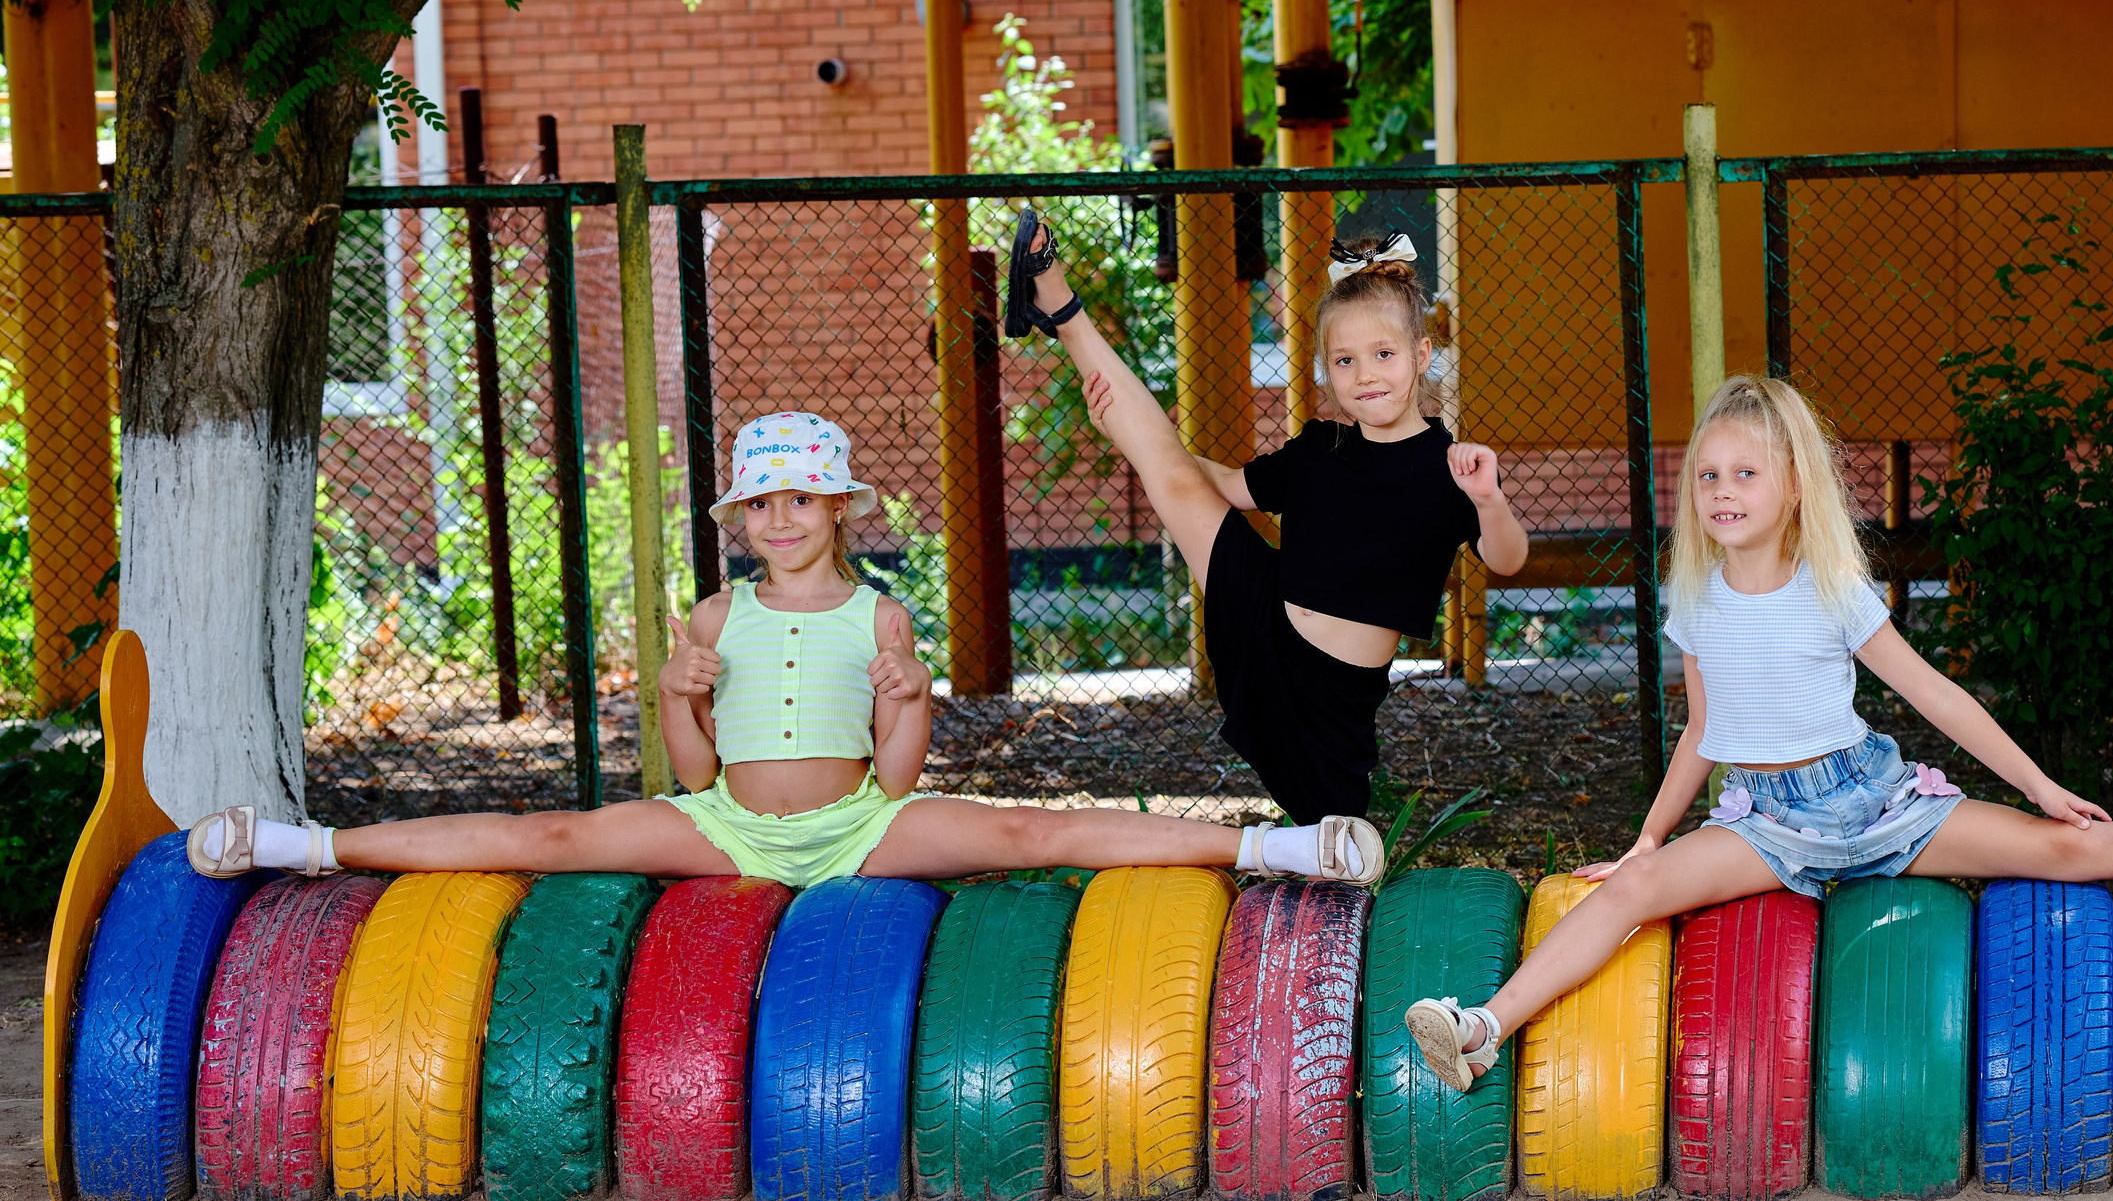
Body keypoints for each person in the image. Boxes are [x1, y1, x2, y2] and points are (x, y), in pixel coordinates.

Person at [1401, 374, 2113, 1094]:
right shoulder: (1698, 601)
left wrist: (2039, 786)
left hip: (1872, 800)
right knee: (1628, 892)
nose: (1722, 494)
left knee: (2080, 849)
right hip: (1765, 824)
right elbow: (1704, 730)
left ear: (1792, 486)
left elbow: (1939, 698)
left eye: (1745, 475)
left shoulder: (1831, 590)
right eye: (1707, 477)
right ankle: (1483, 1028)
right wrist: (1649, 837)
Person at [186, 412, 1384, 887]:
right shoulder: (718, 616)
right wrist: (674, 694)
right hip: (731, 830)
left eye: (800, 500)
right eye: (762, 504)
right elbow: (695, 773)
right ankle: (299, 844)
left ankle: (1282, 847)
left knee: (1034, 832)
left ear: (838, 509)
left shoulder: (879, 616)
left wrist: (911, 699)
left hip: (858, 828)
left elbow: (897, 778)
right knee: (546, 837)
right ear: (741, 520)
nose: (780, 520)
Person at [1008, 218, 1530, 824]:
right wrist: (1141, 443)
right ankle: (1059, 306)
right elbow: (1223, 486)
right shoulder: (1319, 450)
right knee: (1168, 469)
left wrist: (1488, 500)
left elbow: (1508, 559)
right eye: (1345, 360)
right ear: (1325, 368)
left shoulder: (1452, 468)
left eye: (1384, 355)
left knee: (1337, 847)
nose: (1365, 375)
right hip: (1263, 616)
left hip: (1333, 699)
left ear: (1421, 355)